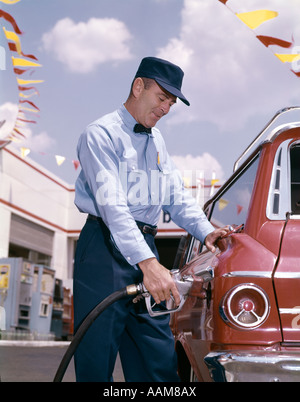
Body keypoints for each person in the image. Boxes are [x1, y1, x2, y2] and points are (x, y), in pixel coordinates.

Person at [73, 56, 228, 382]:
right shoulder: (100, 135)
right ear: (138, 86)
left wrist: (206, 231)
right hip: (103, 249)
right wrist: (148, 264)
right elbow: (113, 208)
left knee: (156, 356)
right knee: (97, 358)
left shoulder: (156, 140)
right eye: (162, 98)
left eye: (171, 103)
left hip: (145, 245)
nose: (166, 108)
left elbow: (174, 195)